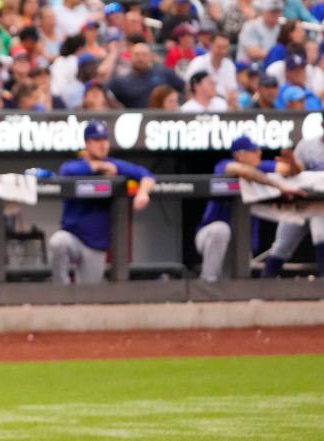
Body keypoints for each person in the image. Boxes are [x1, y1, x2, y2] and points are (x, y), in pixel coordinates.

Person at [49, 120, 156, 285]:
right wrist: (98, 167)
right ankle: (61, 289)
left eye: (105, 139)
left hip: (96, 244)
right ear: (87, 143)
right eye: (97, 140)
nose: (102, 144)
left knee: (88, 293)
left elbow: (147, 175)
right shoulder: (74, 167)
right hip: (73, 237)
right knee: (57, 242)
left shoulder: (115, 165)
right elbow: (66, 172)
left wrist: (142, 194)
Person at [195, 135, 303, 282]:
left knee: (235, 282)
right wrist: (278, 186)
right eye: (253, 150)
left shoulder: (261, 167)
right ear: (239, 155)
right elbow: (242, 171)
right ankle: (208, 282)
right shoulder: (224, 165)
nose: (259, 153)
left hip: (241, 245)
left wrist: (293, 164)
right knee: (221, 230)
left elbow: (291, 170)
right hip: (208, 236)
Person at [262, 126, 324, 277]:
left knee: (321, 236)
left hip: (321, 203)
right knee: (282, 244)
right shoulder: (307, 145)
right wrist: (292, 163)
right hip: (300, 200)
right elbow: (296, 171)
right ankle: (264, 286)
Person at [107, 40, 185, 108]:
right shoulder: (120, 81)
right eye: (137, 54)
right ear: (130, 56)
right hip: (135, 120)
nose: (140, 58)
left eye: (144, 55)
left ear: (151, 57)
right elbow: (106, 93)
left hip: (162, 119)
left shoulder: (165, 73)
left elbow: (185, 88)